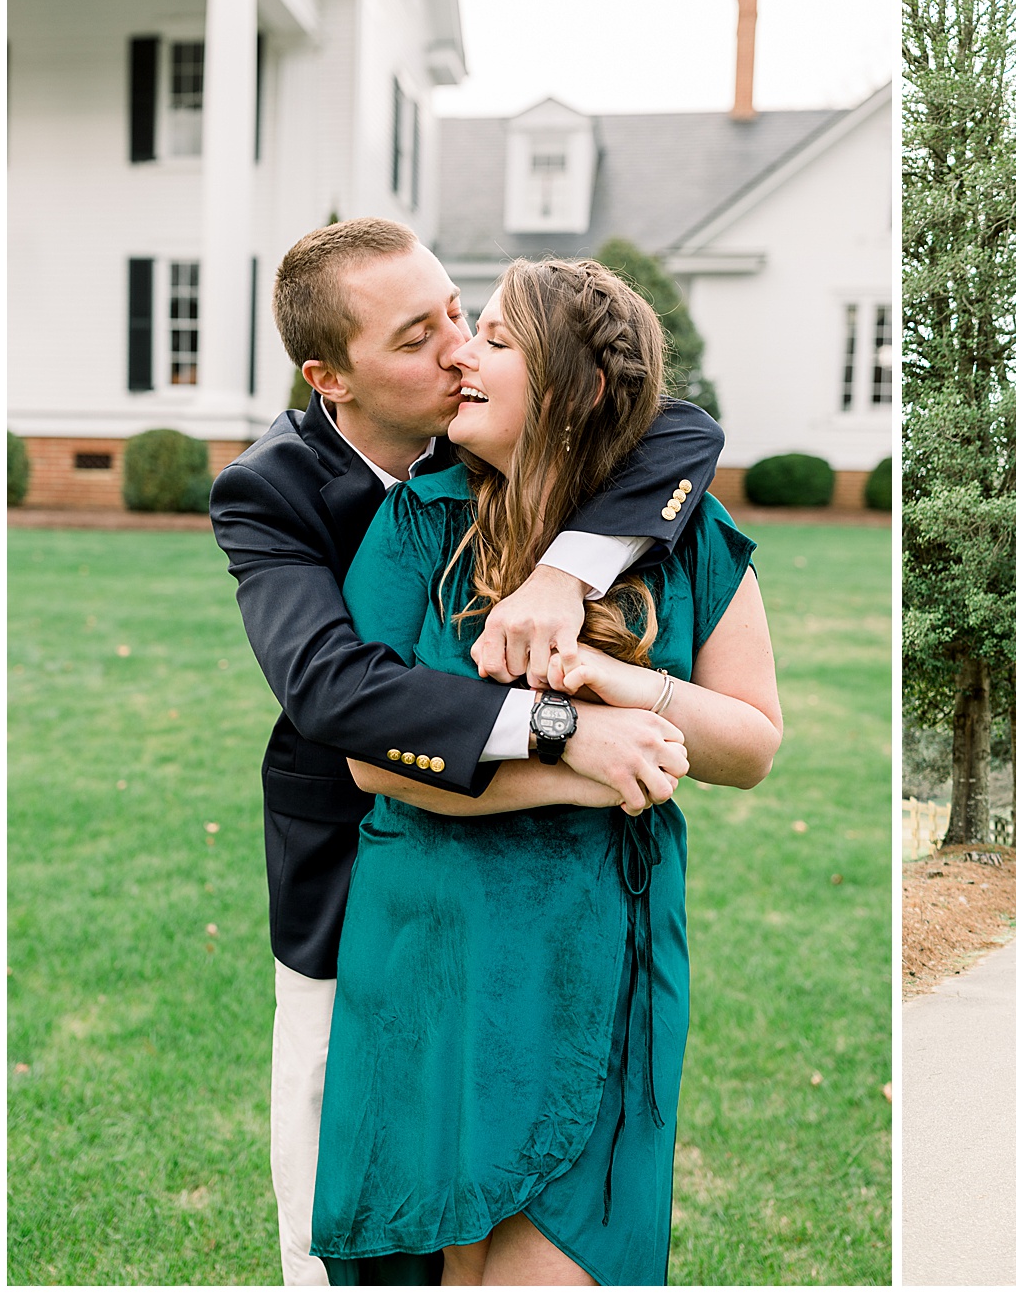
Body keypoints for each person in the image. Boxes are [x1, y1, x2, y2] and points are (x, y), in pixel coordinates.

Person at [210, 217, 724, 1284]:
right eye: (415, 337)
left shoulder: (475, 422)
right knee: (336, 1205)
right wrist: (566, 730)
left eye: (458, 313)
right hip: (347, 865)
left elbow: (677, 431)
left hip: (518, 884)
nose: (455, 348)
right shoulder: (269, 488)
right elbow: (334, 690)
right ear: (330, 377)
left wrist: (564, 574)